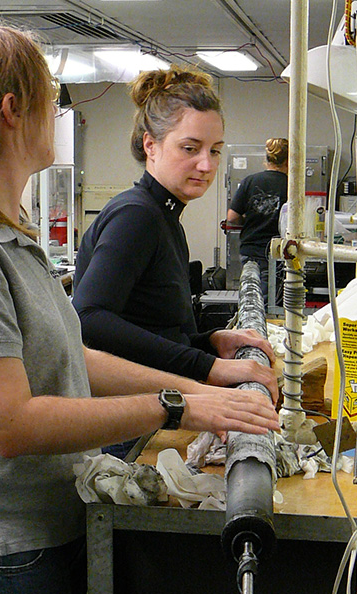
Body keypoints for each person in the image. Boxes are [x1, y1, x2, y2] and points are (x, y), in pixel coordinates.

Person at [0, 24, 279, 594]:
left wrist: (197, 394)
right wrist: (174, 408)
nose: (61, 105)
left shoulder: (5, 235)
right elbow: (13, 424)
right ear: (13, 110)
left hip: (47, 523)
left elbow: (79, 355)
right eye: (51, 93)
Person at [72, 66, 279, 457]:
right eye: (190, 148)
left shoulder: (164, 217)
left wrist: (209, 340)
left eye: (215, 150)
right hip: (127, 431)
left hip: (154, 419)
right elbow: (89, 319)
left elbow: (151, 327)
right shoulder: (137, 216)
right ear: (151, 146)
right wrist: (207, 368)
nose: (206, 164)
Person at [226, 138, 289, 304]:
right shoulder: (292, 185)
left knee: (251, 297)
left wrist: (251, 220)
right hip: (278, 252)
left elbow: (232, 217)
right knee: (270, 303)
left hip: (250, 250)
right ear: (290, 161)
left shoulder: (249, 181)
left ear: (266, 159)